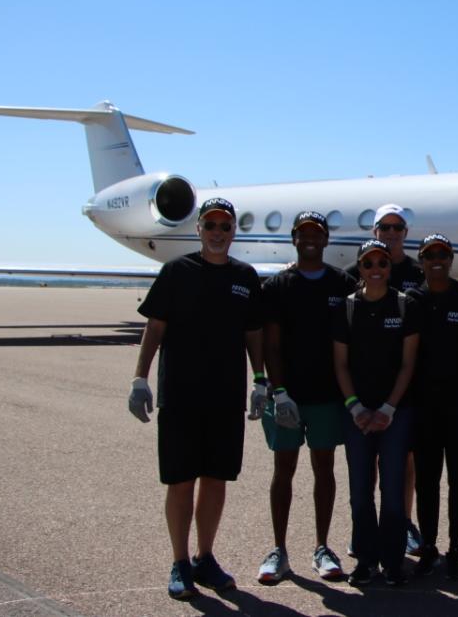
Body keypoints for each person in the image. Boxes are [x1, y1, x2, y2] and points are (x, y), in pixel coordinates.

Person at [128, 198, 265, 600]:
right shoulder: (176, 272)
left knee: (217, 479)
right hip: (181, 395)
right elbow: (155, 328)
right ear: (199, 229)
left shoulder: (245, 276)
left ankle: (206, 557)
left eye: (225, 226)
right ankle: (180, 561)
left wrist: (260, 380)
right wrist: (140, 377)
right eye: (211, 225)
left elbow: (253, 333)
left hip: (225, 397)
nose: (218, 232)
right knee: (180, 480)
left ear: (233, 231)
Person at [257, 211, 355, 584]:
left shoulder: (343, 284)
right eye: (304, 233)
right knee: (283, 470)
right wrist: (278, 391)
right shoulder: (278, 286)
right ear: (294, 239)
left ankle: (321, 546)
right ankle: (279, 549)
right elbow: (272, 344)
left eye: (318, 233)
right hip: (288, 396)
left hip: (327, 397)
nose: (311, 239)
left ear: (327, 240)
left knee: (324, 469)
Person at [333, 239, 421, 585]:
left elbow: (408, 363)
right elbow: (340, 364)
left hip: (394, 412)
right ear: (360, 268)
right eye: (368, 264)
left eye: (382, 263)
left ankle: (393, 560)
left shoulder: (404, 305)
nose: (375, 270)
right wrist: (355, 407)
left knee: (394, 488)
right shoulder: (347, 308)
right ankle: (366, 559)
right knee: (360, 491)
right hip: (357, 414)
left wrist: (387, 408)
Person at [343, 203, 426, 554]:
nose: (391, 234)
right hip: (363, 396)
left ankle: (402, 525)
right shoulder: (351, 274)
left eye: (398, 228)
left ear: (405, 233)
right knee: (364, 472)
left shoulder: (417, 273)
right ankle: (365, 536)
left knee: (402, 465)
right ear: (375, 231)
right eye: (385, 227)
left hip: (402, 392)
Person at [406, 234, 458, 580]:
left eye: (443, 254)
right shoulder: (411, 299)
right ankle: (428, 546)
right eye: (429, 255)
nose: (436, 260)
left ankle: (456, 548)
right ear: (421, 261)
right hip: (423, 409)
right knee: (426, 481)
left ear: (451, 258)